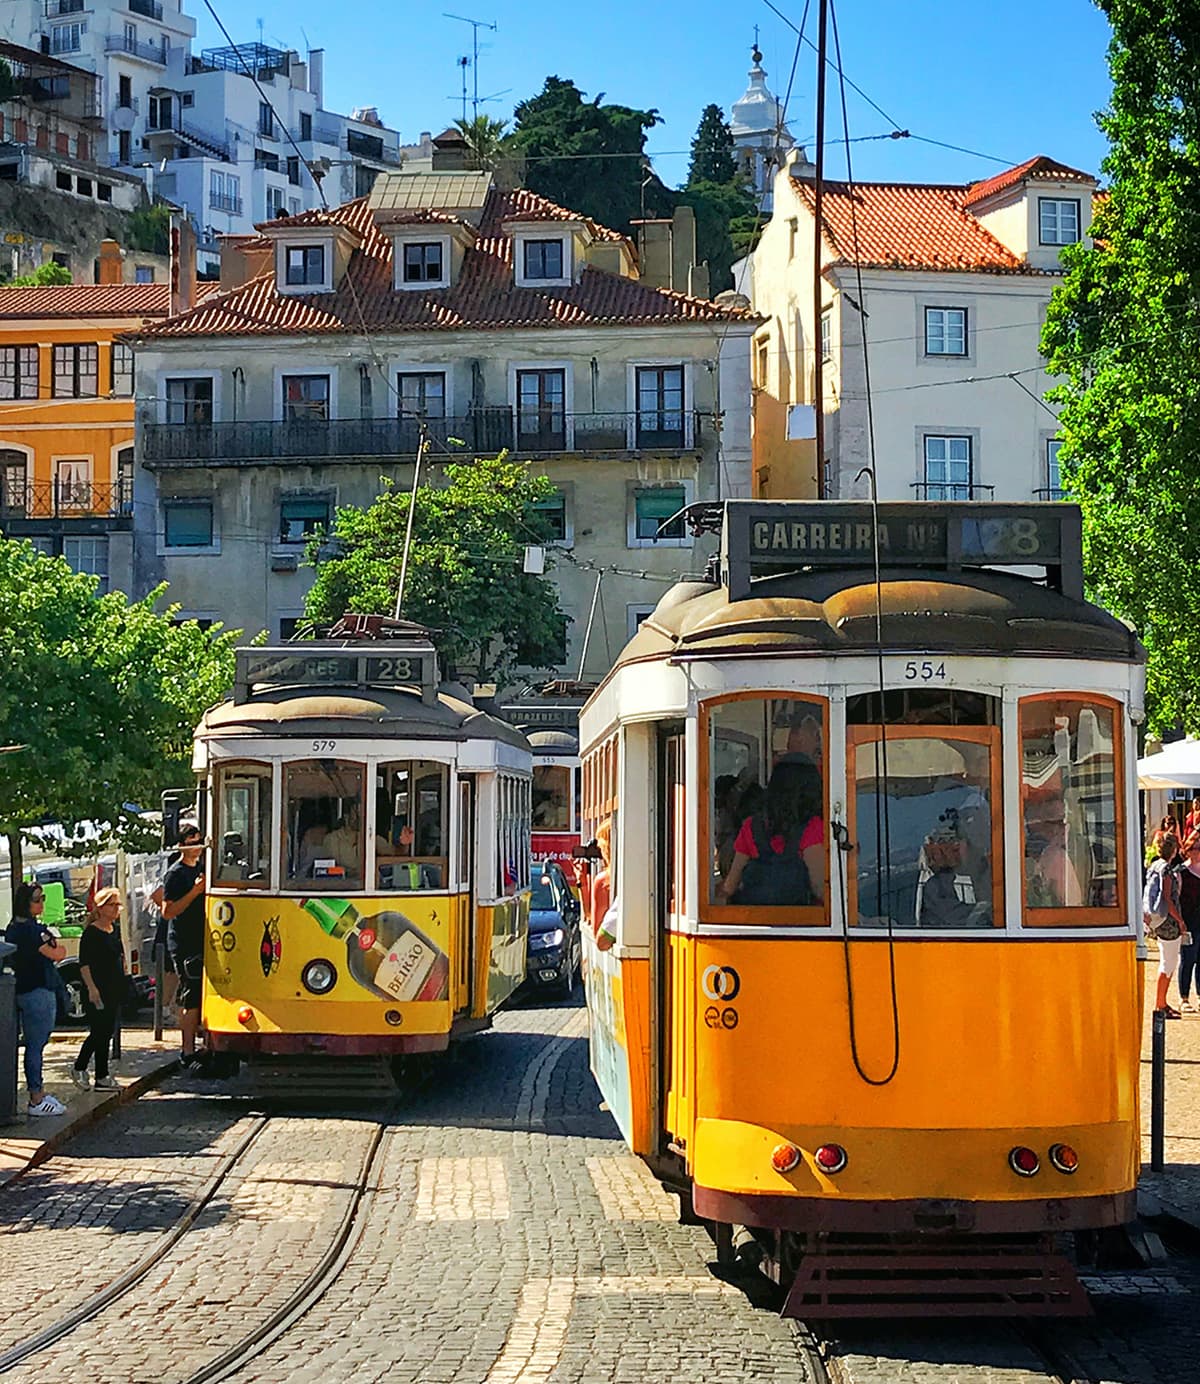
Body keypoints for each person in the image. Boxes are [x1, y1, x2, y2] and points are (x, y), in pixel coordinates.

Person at [719, 758, 824, 906]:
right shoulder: (813, 827)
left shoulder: (751, 825)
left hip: (756, 921)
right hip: (800, 922)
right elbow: (819, 888)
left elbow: (730, 885)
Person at [4, 882, 67, 1116]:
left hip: (22, 989)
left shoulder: (13, 928)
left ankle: (37, 1094)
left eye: (43, 898)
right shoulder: (31, 930)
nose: (41, 903)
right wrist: (53, 944)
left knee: (32, 1045)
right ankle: (36, 1097)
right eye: (37, 899)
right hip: (38, 991)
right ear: (26, 902)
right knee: (36, 1045)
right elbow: (57, 953)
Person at [71, 888, 127, 1091]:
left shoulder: (115, 929)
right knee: (99, 1032)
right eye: (112, 905)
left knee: (107, 1031)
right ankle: (80, 1066)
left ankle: (102, 1076)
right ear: (101, 908)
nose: (116, 909)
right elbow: (84, 964)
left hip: (114, 987)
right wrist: (91, 988)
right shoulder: (91, 933)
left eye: (117, 905)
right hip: (98, 988)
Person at [161, 824, 206, 1064]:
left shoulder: (200, 868)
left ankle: (199, 1045)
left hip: (202, 939)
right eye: (191, 844)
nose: (196, 848)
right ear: (181, 846)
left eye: (198, 843)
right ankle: (186, 1051)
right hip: (183, 942)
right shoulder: (176, 874)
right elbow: (167, 911)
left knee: (200, 994)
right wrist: (195, 892)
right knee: (190, 994)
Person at [1145, 832, 1187, 1019]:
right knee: (1168, 963)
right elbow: (1168, 899)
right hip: (1168, 921)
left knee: (1166, 961)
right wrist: (1180, 921)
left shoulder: (1154, 865)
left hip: (1156, 919)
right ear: (1174, 850)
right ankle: (1161, 1003)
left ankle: (1161, 1002)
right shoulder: (1167, 870)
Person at [1179, 839, 1200, 1013]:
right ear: (1189, 850)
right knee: (1188, 959)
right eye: (1196, 848)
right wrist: (1180, 921)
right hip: (1188, 922)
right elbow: (1175, 898)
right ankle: (1184, 997)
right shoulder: (1182, 872)